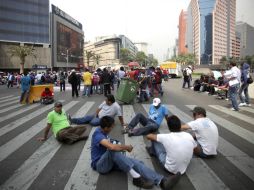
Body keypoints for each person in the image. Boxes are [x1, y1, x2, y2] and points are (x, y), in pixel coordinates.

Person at [91, 116, 181, 189]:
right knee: (112, 150)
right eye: (111, 127)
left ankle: (162, 182)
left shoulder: (104, 132)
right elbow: (111, 147)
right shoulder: (97, 134)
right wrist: (126, 147)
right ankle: (136, 178)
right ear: (106, 128)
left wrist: (120, 148)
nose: (112, 128)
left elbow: (111, 144)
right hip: (100, 165)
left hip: (110, 161)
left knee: (136, 163)